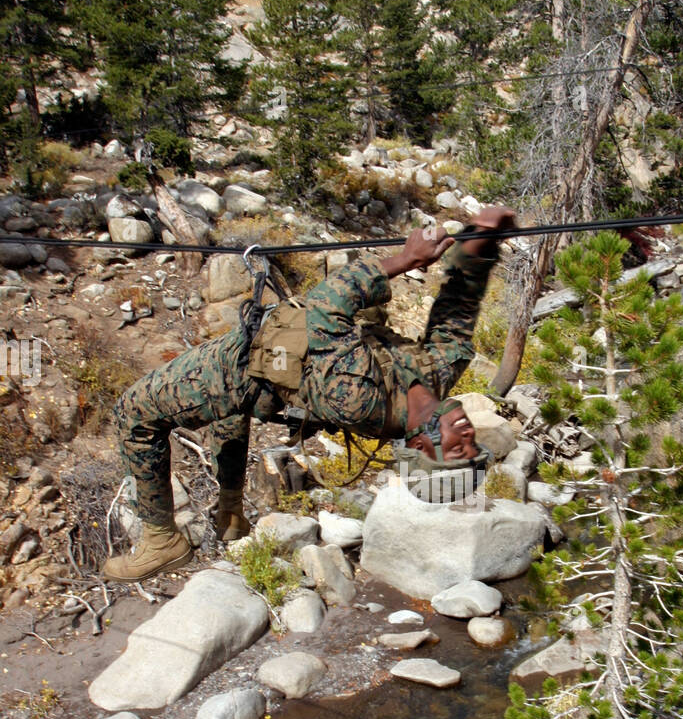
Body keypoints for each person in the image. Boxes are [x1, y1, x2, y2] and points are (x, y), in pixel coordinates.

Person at [103, 206, 518, 581]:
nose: (468, 434)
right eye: (473, 445)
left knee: (134, 413)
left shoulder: (358, 397)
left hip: (245, 366)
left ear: (422, 445)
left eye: (458, 449)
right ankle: (230, 514)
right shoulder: (440, 374)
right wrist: (482, 234)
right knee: (230, 411)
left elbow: (323, 309)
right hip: (279, 362)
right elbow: (460, 302)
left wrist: (404, 260)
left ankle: (161, 541)